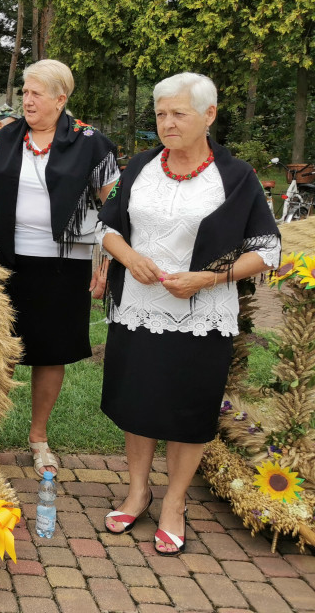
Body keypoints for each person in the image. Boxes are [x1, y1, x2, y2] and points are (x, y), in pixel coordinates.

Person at [98, 72, 279, 555]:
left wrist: (208, 279)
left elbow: (267, 249)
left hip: (200, 316)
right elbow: (106, 228)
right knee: (136, 402)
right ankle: (138, 492)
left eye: (179, 113)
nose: (167, 123)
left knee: (188, 408)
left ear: (209, 115)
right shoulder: (138, 167)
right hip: (137, 309)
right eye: (160, 114)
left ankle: (175, 503)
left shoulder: (236, 177)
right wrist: (127, 256)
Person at [0, 59, 119, 475]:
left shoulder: (91, 143)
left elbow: (114, 205)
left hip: (63, 266)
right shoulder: (7, 137)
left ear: (60, 98)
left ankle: (38, 438)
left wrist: (106, 260)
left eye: (36, 93)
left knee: (50, 354)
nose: (27, 100)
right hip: (7, 262)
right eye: (25, 92)